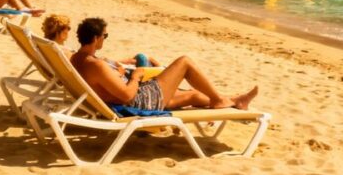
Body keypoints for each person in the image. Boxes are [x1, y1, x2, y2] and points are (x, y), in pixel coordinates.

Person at [71, 17, 257, 111]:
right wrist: (135, 76)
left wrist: (118, 75)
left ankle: (234, 101)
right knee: (184, 62)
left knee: (192, 95)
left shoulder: (77, 59)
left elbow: (104, 85)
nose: (105, 39)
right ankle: (219, 100)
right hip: (139, 102)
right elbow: (127, 95)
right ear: (96, 38)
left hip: (133, 98)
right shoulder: (96, 65)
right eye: (105, 36)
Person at [43, 14, 160, 67]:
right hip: (104, 68)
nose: (69, 30)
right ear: (59, 32)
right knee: (143, 58)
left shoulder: (49, 47)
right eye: (67, 28)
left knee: (137, 59)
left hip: (102, 64)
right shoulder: (63, 51)